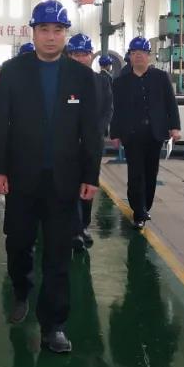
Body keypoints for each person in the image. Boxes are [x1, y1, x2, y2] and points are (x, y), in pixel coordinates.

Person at [0, 0, 102, 354]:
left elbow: (91, 132)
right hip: (22, 177)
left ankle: (54, 325)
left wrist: (91, 176)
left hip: (64, 180)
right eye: (44, 30)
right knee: (18, 242)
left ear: (65, 34)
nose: (51, 37)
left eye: (57, 30)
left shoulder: (82, 77)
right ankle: (21, 290)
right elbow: (0, 125)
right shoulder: (13, 71)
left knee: (58, 252)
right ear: (33, 32)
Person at [109, 37, 181, 230]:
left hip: (155, 133)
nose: (138, 56)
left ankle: (145, 207)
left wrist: (175, 127)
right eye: (134, 53)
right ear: (130, 57)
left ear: (149, 56)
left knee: (151, 173)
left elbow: (170, 104)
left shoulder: (161, 78)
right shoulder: (121, 82)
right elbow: (117, 110)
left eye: (141, 53)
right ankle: (138, 212)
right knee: (136, 174)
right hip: (132, 135)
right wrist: (114, 133)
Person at [65, 33, 113, 251]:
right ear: (69, 55)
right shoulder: (61, 82)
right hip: (66, 144)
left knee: (88, 183)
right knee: (68, 185)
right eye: (75, 54)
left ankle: (83, 225)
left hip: (91, 144)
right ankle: (74, 229)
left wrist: (97, 132)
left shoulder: (101, 82)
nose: (80, 58)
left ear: (91, 55)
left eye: (84, 54)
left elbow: (107, 109)